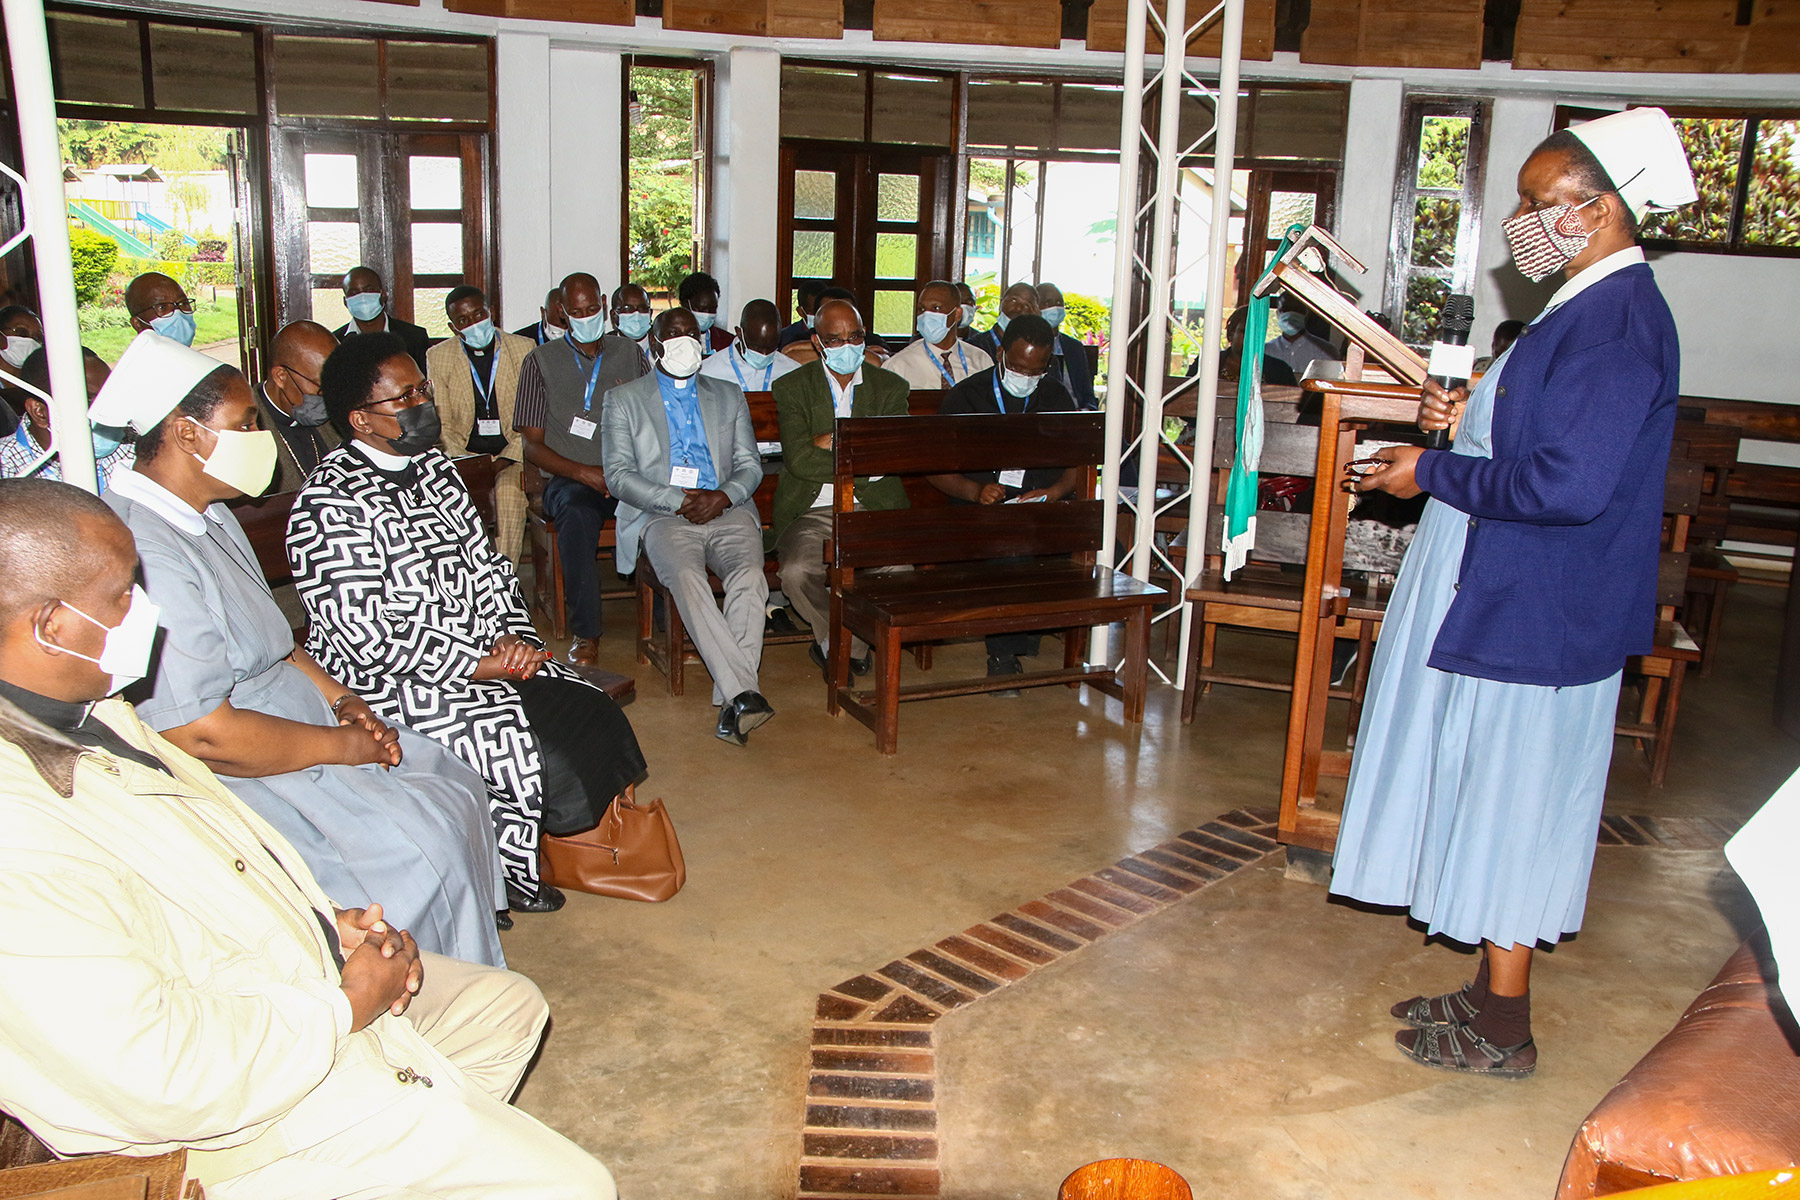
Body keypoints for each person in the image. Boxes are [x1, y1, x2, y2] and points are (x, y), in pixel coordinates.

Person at [0, 477, 618, 1200]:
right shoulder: (19, 834)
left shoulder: (92, 710)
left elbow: (197, 861)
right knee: (577, 1185)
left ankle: (425, 1137)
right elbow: (162, 1076)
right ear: (49, 625)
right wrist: (343, 1007)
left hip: (260, 983)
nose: (147, 611)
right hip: (217, 1126)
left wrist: (318, 923)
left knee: (506, 1010)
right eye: (121, 597)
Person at [1332, 107, 1694, 1077]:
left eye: (1542, 203)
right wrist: (1465, 419)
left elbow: (1568, 487)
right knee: (1494, 798)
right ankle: (1493, 990)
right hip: (1520, 593)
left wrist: (1430, 473)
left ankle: (1505, 1028)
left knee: (1518, 807)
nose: (1522, 222)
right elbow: (1538, 442)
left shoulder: (1616, 322)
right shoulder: (1581, 305)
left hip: (1546, 609)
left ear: (1603, 208)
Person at [95, 331, 504, 962]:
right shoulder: (146, 550)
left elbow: (280, 644)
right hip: (242, 757)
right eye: (245, 423)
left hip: (299, 707)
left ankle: (466, 974)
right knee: (417, 851)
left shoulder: (210, 510)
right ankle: (415, 1002)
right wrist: (343, 747)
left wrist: (345, 701)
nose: (261, 438)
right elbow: (201, 734)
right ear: (185, 433)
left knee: (453, 785)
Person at [290, 331, 648, 917]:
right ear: (361, 419)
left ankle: (522, 861)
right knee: (516, 743)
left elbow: (492, 571)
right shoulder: (328, 503)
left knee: (587, 706)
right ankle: (495, 879)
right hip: (394, 681)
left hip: (487, 651)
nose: (421, 404)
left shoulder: (434, 468)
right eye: (403, 398)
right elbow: (367, 636)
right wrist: (479, 664)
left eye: (422, 389)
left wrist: (517, 640)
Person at [601, 308, 772, 746]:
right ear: (654, 344)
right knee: (689, 580)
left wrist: (723, 496)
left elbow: (750, 465)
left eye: (691, 333)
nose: (684, 341)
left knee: (751, 579)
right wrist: (678, 500)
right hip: (663, 514)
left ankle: (735, 698)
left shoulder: (728, 394)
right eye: (672, 334)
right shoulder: (625, 399)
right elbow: (618, 475)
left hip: (726, 508)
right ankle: (742, 695)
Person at [930, 314, 1083, 691]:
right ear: (1000, 353)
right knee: (1009, 548)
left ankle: (1026, 630)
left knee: (1095, 541)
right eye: (1016, 366)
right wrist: (973, 491)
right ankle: (1003, 656)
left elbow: (1078, 463)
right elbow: (932, 467)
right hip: (977, 509)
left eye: (1035, 369)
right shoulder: (967, 396)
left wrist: (1056, 492)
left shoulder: (1055, 395)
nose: (1025, 375)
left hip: (1040, 507)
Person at [514, 271, 650, 662]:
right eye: (577, 311)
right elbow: (532, 446)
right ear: (561, 311)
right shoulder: (539, 361)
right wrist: (585, 473)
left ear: (605, 305)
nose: (587, 316)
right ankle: (586, 633)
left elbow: (651, 420)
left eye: (593, 309)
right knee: (575, 514)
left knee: (666, 509)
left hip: (627, 475)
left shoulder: (629, 353)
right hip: (571, 479)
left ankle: (664, 619)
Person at [771, 297, 909, 681]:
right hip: (812, 509)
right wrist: (861, 454)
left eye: (856, 336)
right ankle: (844, 642)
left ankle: (840, 644)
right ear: (816, 342)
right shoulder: (792, 387)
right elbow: (799, 460)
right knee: (797, 571)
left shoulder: (891, 387)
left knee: (898, 570)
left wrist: (831, 442)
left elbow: (891, 455)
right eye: (835, 340)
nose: (847, 347)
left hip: (873, 510)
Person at [429, 285, 531, 563]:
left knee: (508, 496)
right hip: (464, 458)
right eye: (463, 320)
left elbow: (533, 419)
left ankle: (502, 580)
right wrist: (470, 464)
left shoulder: (523, 349)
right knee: (451, 501)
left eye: (478, 314)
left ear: (491, 312)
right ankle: (468, 578)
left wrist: (499, 463)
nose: (473, 323)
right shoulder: (438, 356)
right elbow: (443, 423)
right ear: (453, 327)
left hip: (512, 457)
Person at [0, 346, 132, 490]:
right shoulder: (8, 467)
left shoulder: (132, 448)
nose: (105, 410)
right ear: (40, 413)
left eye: (107, 397)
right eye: (88, 399)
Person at [256, 321, 343, 493]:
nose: (330, 397)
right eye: (321, 388)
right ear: (281, 376)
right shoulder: (246, 428)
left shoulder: (338, 418)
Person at [883, 280, 986, 391]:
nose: (926, 315)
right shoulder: (897, 366)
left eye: (936, 308)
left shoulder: (980, 361)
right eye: (921, 309)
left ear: (957, 314)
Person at [333, 266, 430, 371]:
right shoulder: (334, 342)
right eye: (354, 293)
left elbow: (426, 382)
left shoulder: (415, 337)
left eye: (369, 290)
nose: (362, 297)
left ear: (383, 295)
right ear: (345, 301)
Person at [698, 298, 803, 393]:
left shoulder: (793, 372)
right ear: (739, 333)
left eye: (771, 348)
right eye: (757, 348)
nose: (764, 355)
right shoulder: (708, 372)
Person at [1034, 281, 1099, 410]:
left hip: (1075, 418)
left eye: (1059, 303)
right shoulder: (1027, 346)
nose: (1055, 307)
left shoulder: (1074, 347)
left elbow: (1088, 395)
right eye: (1048, 303)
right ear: (1035, 307)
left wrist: (1085, 411)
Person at [1264, 292, 1337, 378]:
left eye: (1297, 310)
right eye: (1286, 310)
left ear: (1307, 313)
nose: (1291, 314)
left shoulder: (1326, 352)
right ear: (1277, 313)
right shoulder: (1266, 352)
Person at [970, 282, 1042, 361]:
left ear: (1035, 313)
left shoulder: (1036, 351)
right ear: (1001, 303)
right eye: (1014, 300)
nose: (1018, 308)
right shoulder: (974, 346)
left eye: (1027, 305)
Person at [125, 271, 197, 346]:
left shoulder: (196, 357)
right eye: (162, 307)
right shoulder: (137, 357)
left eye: (183, 303)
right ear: (137, 324)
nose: (177, 312)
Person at [678, 271, 735, 358]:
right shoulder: (670, 340)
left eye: (712, 309)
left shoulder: (728, 341)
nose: (707, 314)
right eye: (702, 309)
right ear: (686, 304)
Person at [778, 279, 830, 348]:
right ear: (801, 312)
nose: (819, 316)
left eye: (823, 311)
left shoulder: (837, 335)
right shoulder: (785, 338)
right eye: (814, 312)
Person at [612, 283, 655, 361]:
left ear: (650, 313)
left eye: (643, 308)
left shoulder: (663, 348)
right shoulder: (602, 349)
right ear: (614, 315)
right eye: (628, 308)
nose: (636, 314)